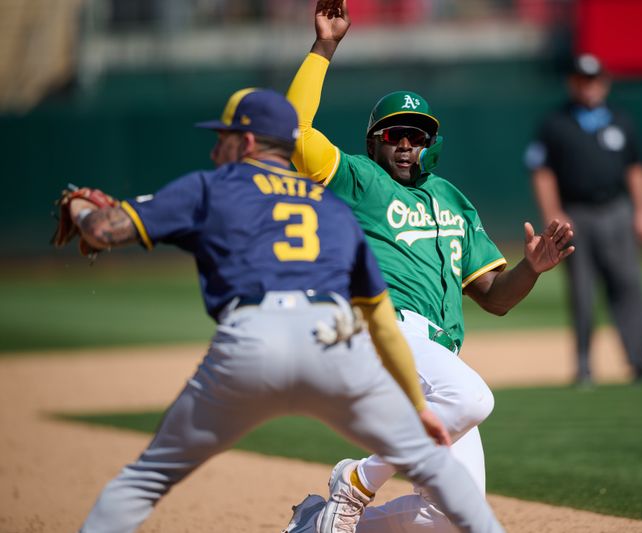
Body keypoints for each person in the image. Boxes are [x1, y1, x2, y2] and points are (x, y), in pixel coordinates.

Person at [61, 88, 507, 533]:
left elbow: (103, 229)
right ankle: (337, 505)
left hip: (250, 345)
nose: (217, 147)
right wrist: (417, 407)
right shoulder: (330, 208)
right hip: (328, 352)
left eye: (224, 137)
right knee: (455, 489)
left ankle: (339, 500)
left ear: (249, 143)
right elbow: (377, 317)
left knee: (146, 478)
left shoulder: (213, 186)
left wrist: (78, 207)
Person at [285, 2, 575, 532]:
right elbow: (293, 130)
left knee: (452, 516)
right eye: (395, 134)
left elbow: (492, 294)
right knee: (472, 396)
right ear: (375, 140)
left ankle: (312, 525)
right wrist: (324, 46)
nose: (405, 144)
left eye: (417, 135)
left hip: (433, 355)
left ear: (430, 145)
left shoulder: (452, 199)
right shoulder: (355, 179)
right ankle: (356, 481)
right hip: (380, 332)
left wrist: (531, 268)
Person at [527, 53, 642, 386]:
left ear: (604, 82)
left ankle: (641, 363)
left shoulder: (620, 119)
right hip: (576, 214)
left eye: (594, 80)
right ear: (572, 83)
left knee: (628, 286)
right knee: (582, 293)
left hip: (616, 210)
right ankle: (584, 367)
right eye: (582, 80)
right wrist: (552, 214)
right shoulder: (555, 122)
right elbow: (541, 172)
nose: (589, 87)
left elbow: (636, 168)